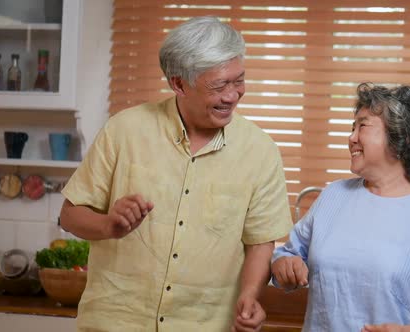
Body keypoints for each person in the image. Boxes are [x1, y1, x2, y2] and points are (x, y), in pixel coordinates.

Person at [60, 16, 292, 331]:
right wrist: (108, 225)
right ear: (178, 84)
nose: (232, 95)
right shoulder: (124, 130)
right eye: (219, 85)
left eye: (238, 81)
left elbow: (261, 240)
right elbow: (71, 216)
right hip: (116, 322)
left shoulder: (260, 151)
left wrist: (251, 295)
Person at [271, 84, 410, 332]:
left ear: (402, 138)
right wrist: (285, 264)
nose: (351, 137)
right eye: (352, 128)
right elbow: (289, 254)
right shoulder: (332, 197)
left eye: (363, 126)